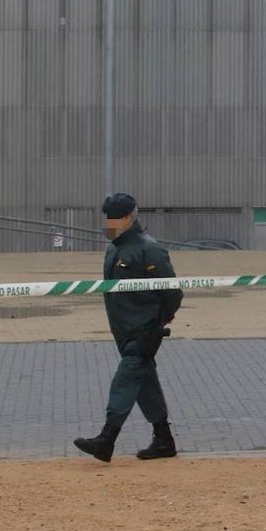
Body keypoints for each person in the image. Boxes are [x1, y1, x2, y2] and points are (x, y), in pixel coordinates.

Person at [74, 193, 183, 463]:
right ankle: (164, 439)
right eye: (106, 217)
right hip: (123, 329)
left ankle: (107, 438)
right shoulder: (114, 248)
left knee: (127, 377)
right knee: (143, 380)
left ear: (127, 217)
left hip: (144, 329)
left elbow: (172, 291)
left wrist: (162, 319)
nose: (108, 223)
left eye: (113, 218)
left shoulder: (149, 249)